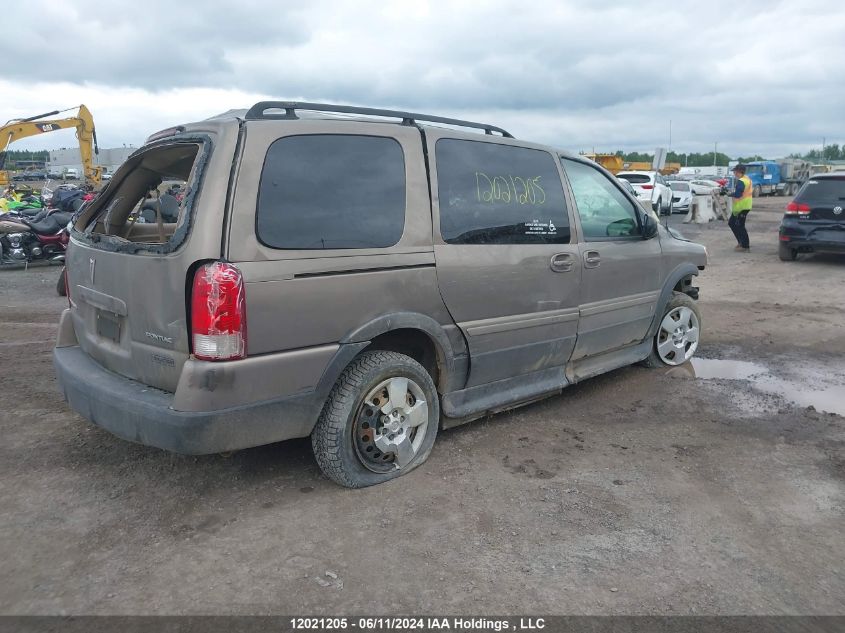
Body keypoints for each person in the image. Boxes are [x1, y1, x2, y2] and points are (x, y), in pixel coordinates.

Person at [729, 164, 753, 251]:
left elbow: (738, 194)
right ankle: (741, 242)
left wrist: (728, 194)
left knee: (740, 226)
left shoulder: (741, 181)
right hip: (744, 206)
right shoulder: (747, 179)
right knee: (732, 223)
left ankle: (745, 246)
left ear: (740, 172)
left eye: (735, 171)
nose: (734, 173)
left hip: (742, 207)